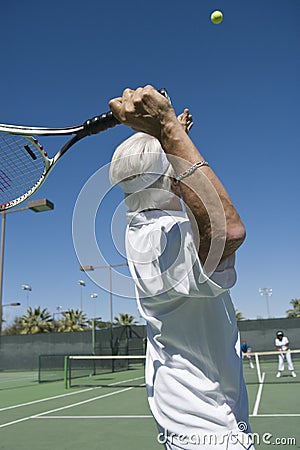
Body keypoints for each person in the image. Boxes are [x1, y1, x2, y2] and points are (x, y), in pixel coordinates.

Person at [109, 85, 253, 449]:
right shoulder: (166, 236)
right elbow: (228, 231)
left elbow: (165, 186)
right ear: (173, 178)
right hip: (212, 436)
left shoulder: (139, 229)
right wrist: (168, 127)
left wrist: (174, 136)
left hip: (185, 432)